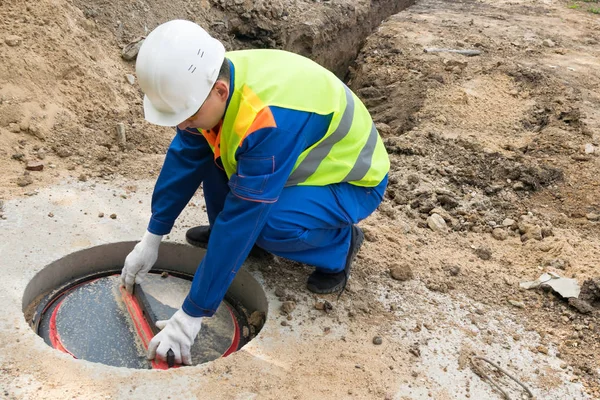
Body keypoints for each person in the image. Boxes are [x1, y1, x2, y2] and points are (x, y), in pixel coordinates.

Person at [120, 19, 390, 366]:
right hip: (293, 167)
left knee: (265, 223)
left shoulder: (266, 118)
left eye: (187, 115)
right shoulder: (208, 82)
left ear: (219, 91)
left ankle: (340, 248)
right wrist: (152, 235)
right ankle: (250, 250)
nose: (183, 124)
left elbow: (244, 216)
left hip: (350, 182)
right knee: (212, 155)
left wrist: (192, 313)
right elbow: (185, 158)